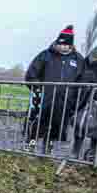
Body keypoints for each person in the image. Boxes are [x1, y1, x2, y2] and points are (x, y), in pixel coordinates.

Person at [24, 25, 85, 154]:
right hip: (44, 97)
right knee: (38, 121)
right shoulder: (45, 55)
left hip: (65, 100)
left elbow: (82, 80)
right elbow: (31, 74)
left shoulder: (78, 59)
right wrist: (37, 88)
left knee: (57, 123)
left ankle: (49, 144)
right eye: (60, 44)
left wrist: (75, 97)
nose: (62, 47)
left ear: (71, 45)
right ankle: (31, 142)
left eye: (65, 45)